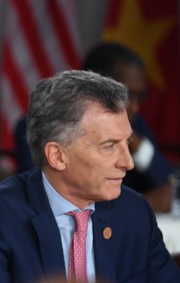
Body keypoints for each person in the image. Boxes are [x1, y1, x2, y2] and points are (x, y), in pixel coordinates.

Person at [0, 70, 180, 283]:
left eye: (127, 143)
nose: (127, 162)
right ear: (58, 156)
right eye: (109, 145)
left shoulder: (134, 212)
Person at [14, 42, 174, 212]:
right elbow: (44, 197)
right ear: (93, 86)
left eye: (139, 96)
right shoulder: (39, 126)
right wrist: (141, 205)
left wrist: (139, 147)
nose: (135, 107)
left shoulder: (134, 124)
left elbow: (171, 187)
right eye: (126, 95)